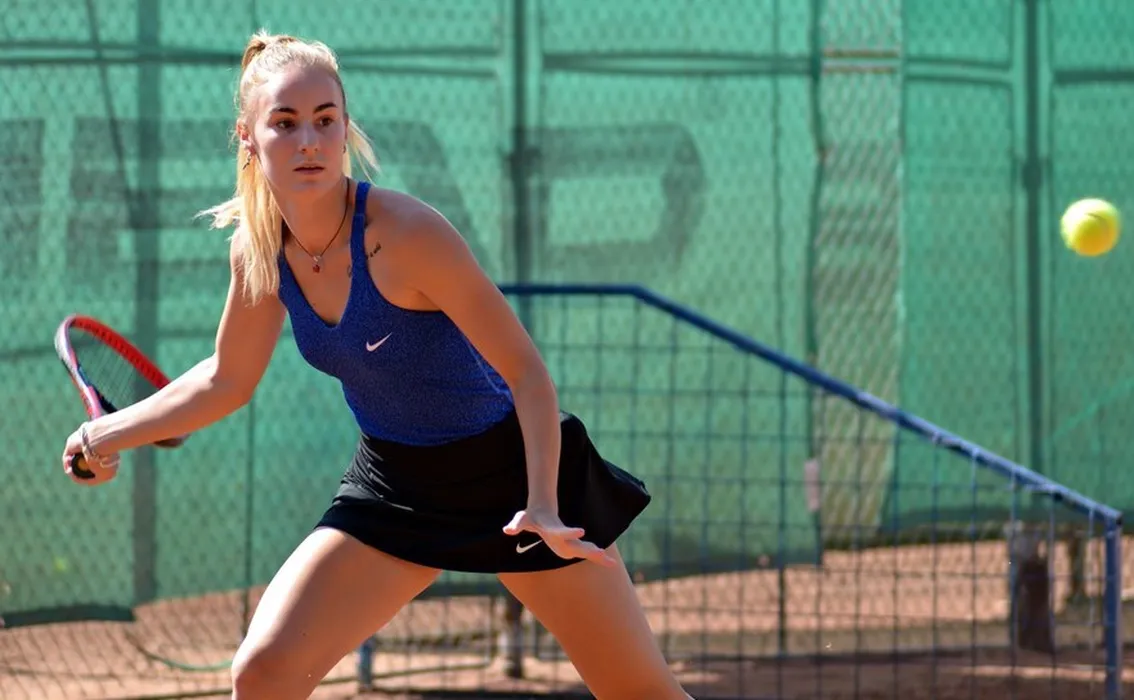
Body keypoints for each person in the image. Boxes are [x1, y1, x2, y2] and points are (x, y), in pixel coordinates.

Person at [60, 30, 694, 700]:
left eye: (325, 120)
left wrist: (542, 503)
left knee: (642, 694)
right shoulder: (258, 251)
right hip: (395, 486)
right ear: (247, 137)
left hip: (514, 477)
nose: (309, 140)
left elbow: (527, 372)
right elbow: (226, 378)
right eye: (285, 123)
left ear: (345, 129)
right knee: (263, 673)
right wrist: (102, 434)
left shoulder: (406, 233)